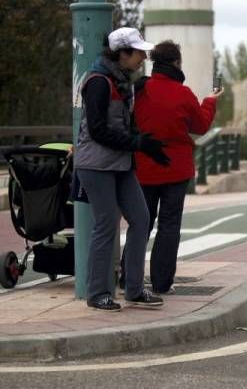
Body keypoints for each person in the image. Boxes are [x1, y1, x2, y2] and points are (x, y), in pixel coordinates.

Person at [74, 27, 166, 311]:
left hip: (120, 162)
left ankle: (135, 289)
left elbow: (121, 124)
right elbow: (99, 130)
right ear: (122, 53)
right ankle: (97, 292)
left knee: (141, 218)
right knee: (106, 224)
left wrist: (143, 143)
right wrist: (137, 143)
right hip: (96, 164)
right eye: (139, 53)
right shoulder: (99, 81)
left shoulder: (122, 81)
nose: (143, 58)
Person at [131, 40, 224, 294]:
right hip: (176, 169)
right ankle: (162, 283)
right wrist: (210, 101)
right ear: (176, 62)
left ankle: (128, 277)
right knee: (169, 225)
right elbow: (200, 126)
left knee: (141, 223)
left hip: (144, 168)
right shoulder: (184, 94)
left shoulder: (139, 90)